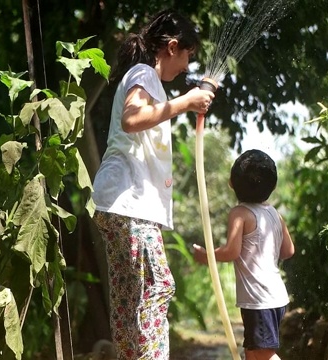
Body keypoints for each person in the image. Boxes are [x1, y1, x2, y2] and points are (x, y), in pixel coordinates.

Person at [91, 8, 215, 360]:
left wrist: (186, 103)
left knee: (131, 301)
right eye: (188, 56)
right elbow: (132, 119)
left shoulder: (148, 81)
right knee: (158, 287)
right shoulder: (144, 73)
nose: (187, 66)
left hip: (119, 203)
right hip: (129, 203)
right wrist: (184, 103)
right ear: (173, 47)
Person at [192, 149, 295, 360]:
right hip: (275, 297)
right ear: (273, 186)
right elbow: (288, 251)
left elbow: (231, 251)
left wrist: (207, 256)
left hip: (259, 300)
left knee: (262, 356)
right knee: (253, 353)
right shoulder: (275, 214)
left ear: (231, 182)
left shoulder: (240, 213)